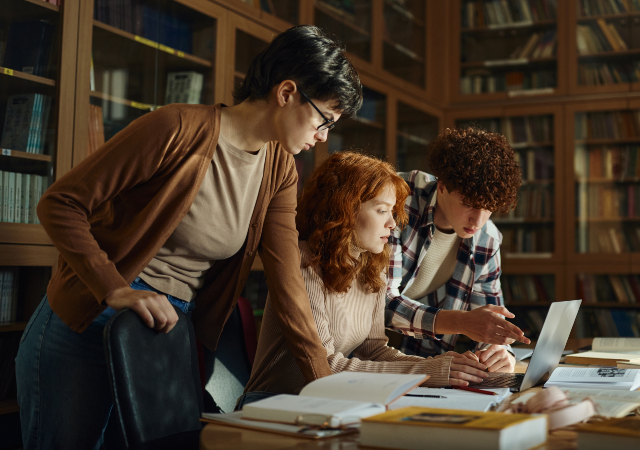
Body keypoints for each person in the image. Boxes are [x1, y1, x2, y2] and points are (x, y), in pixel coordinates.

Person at [15, 25, 361, 450]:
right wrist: (115, 289)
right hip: (92, 314)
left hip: (167, 331)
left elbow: (287, 279)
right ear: (286, 92)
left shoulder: (280, 170)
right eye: (324, 119)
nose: (323, 136)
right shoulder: (175, 128)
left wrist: (324, 384)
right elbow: (60, 203)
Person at [240, 152, 489, 405]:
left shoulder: (372, 265)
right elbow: (326, 366)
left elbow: (373, 350)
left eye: (392, 212)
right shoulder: (303, 261)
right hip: (272, 402)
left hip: (330, 402)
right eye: (382, 210)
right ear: (345, 209)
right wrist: (430, 372)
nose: (393, 223)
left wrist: (440, 366)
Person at [385, 127, 528, 373]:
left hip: (417, 357)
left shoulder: (488, 238)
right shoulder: (395, 200)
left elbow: (490, 314)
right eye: (468, 204)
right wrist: (461, 322)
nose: (477, 221)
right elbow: (378, 304)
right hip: (355, 348)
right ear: (441, 185)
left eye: (489, 208)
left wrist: (501, 352)